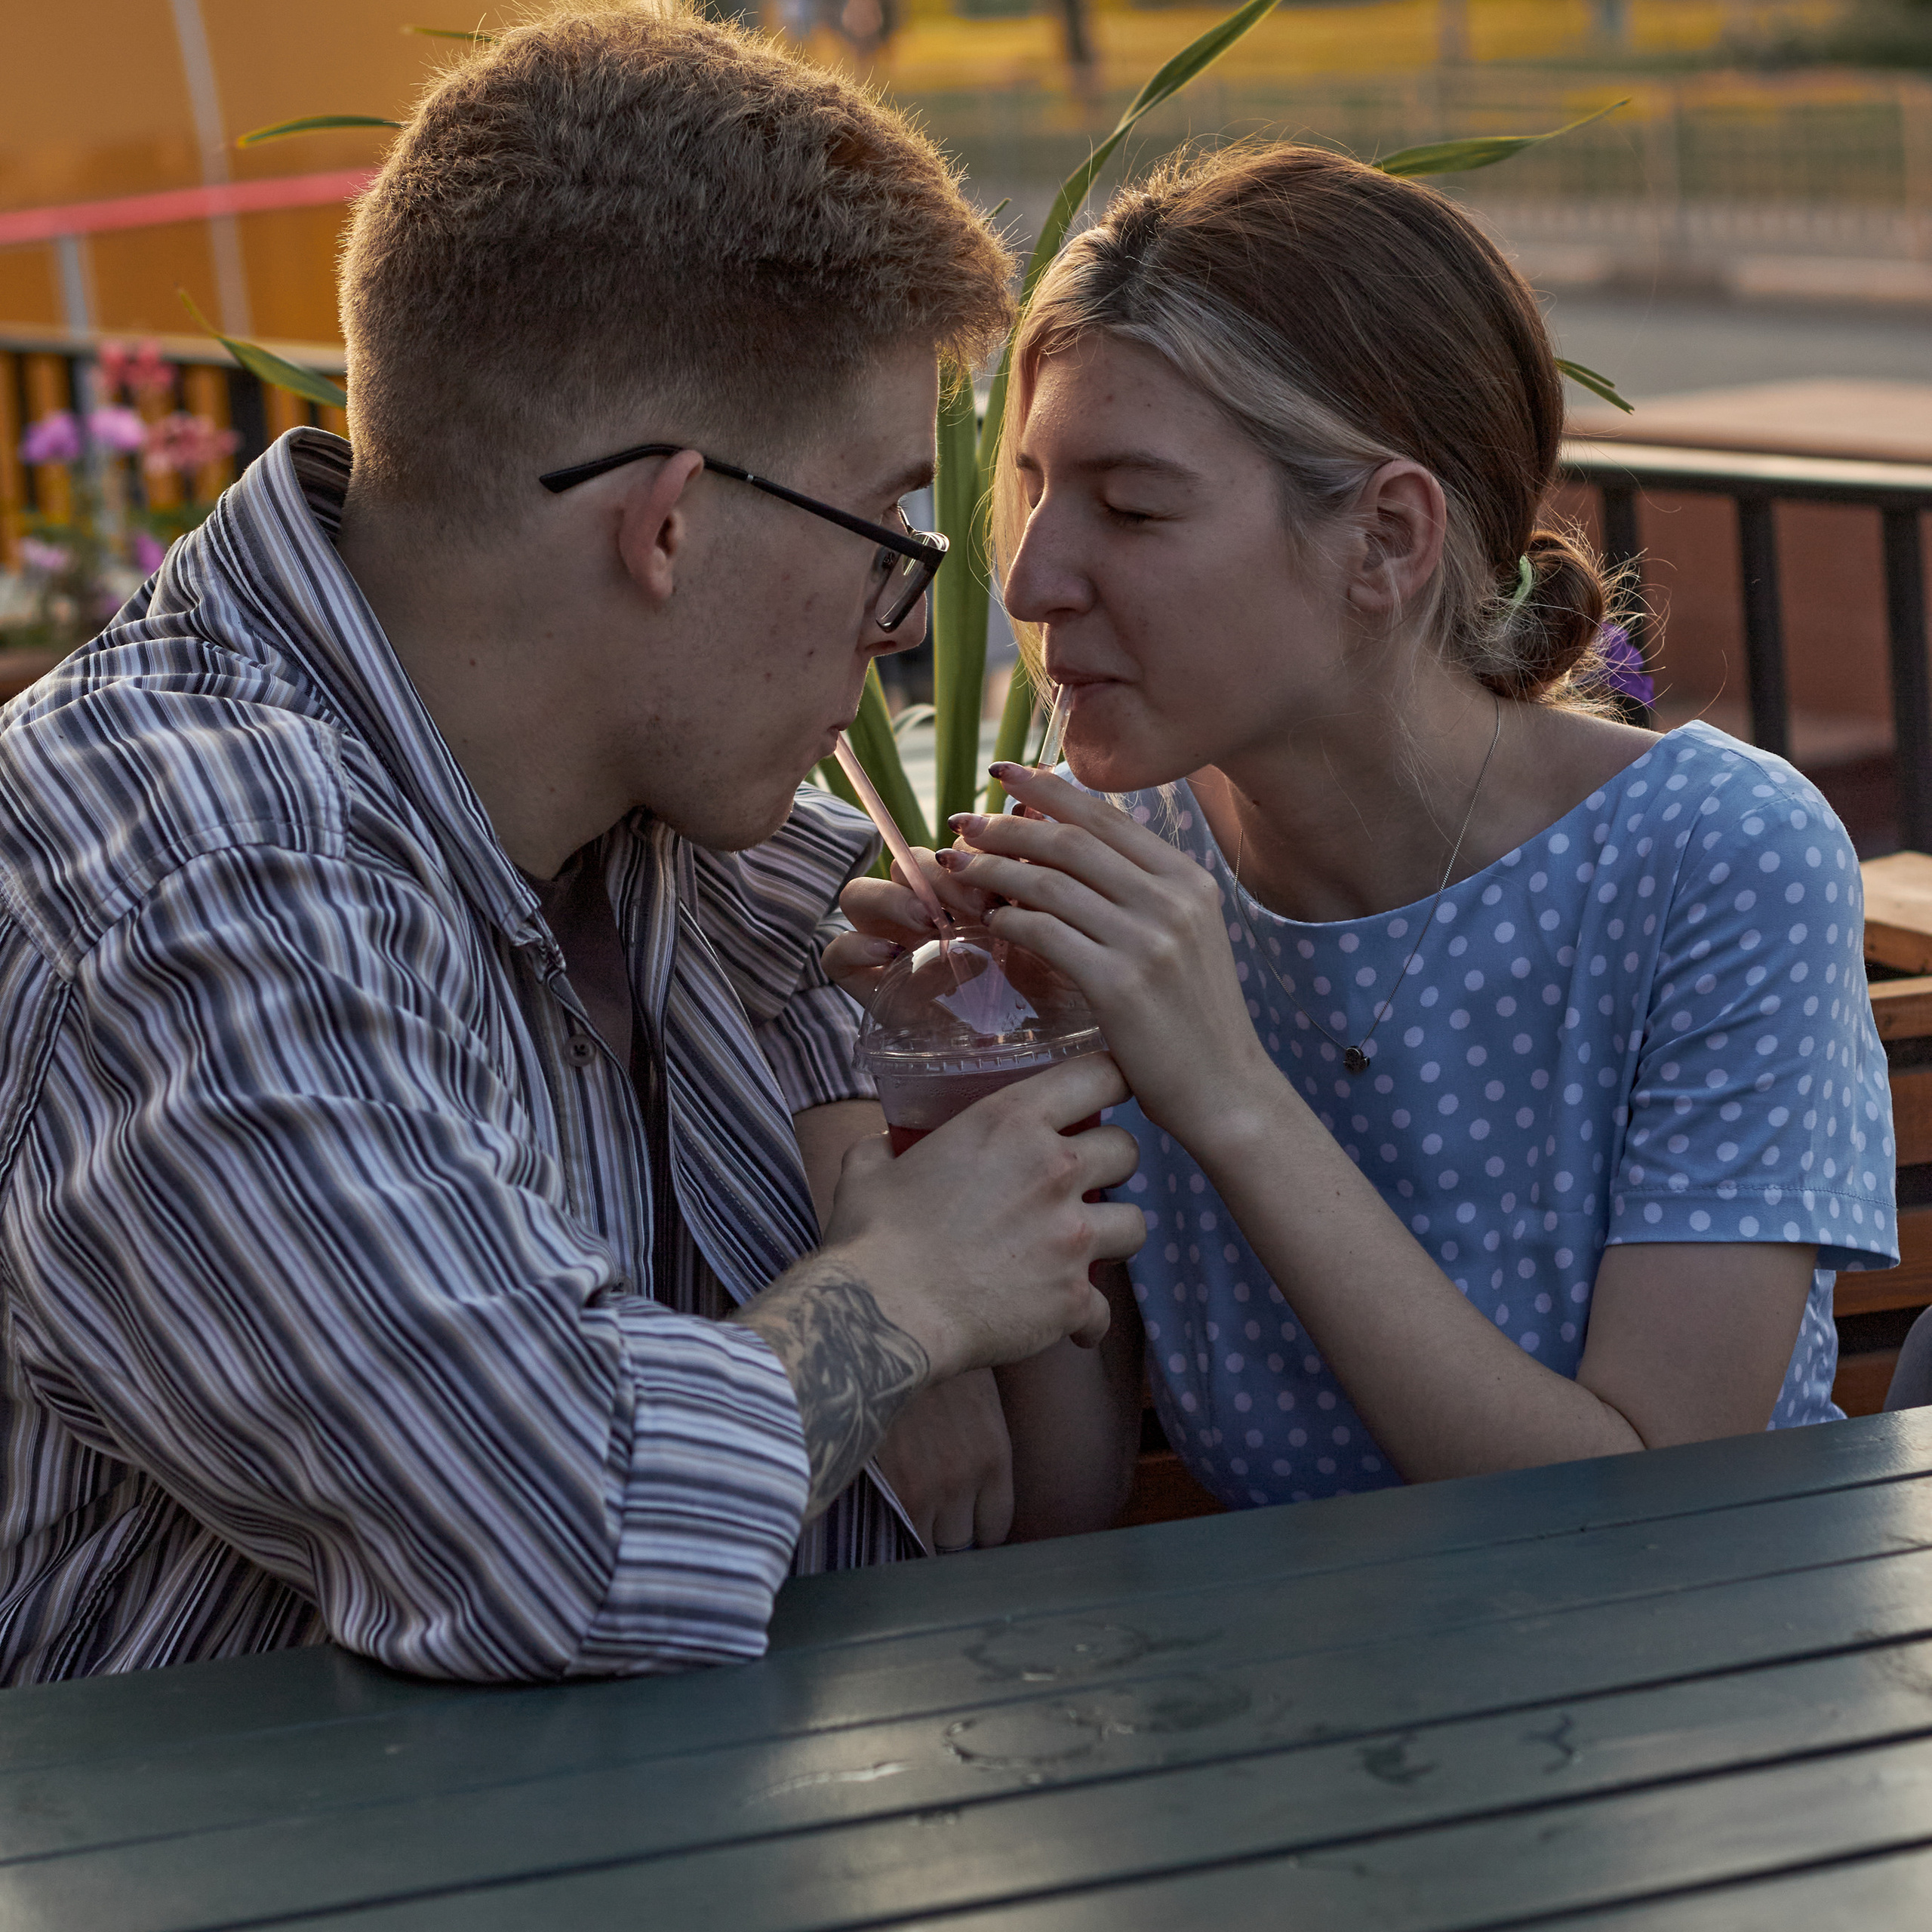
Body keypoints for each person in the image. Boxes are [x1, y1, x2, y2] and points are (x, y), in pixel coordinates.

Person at [0, 7, 1146, 1687]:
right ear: (666, 524)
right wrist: (907, 1294)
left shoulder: (624, 811)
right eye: (885, 523)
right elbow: (562, 1532)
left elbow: (869, 981)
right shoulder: (198, 882)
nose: (899, 618)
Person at [832, 143, 1899, 1527]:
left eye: (1133, 507)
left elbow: (1646, 1520)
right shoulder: (1126, 876)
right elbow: (1064, 1512)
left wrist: (1227, 1092)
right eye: (1035, 487)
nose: (1032, 580)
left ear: (1387, 539)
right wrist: (978, 1084)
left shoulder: (1716, 859)